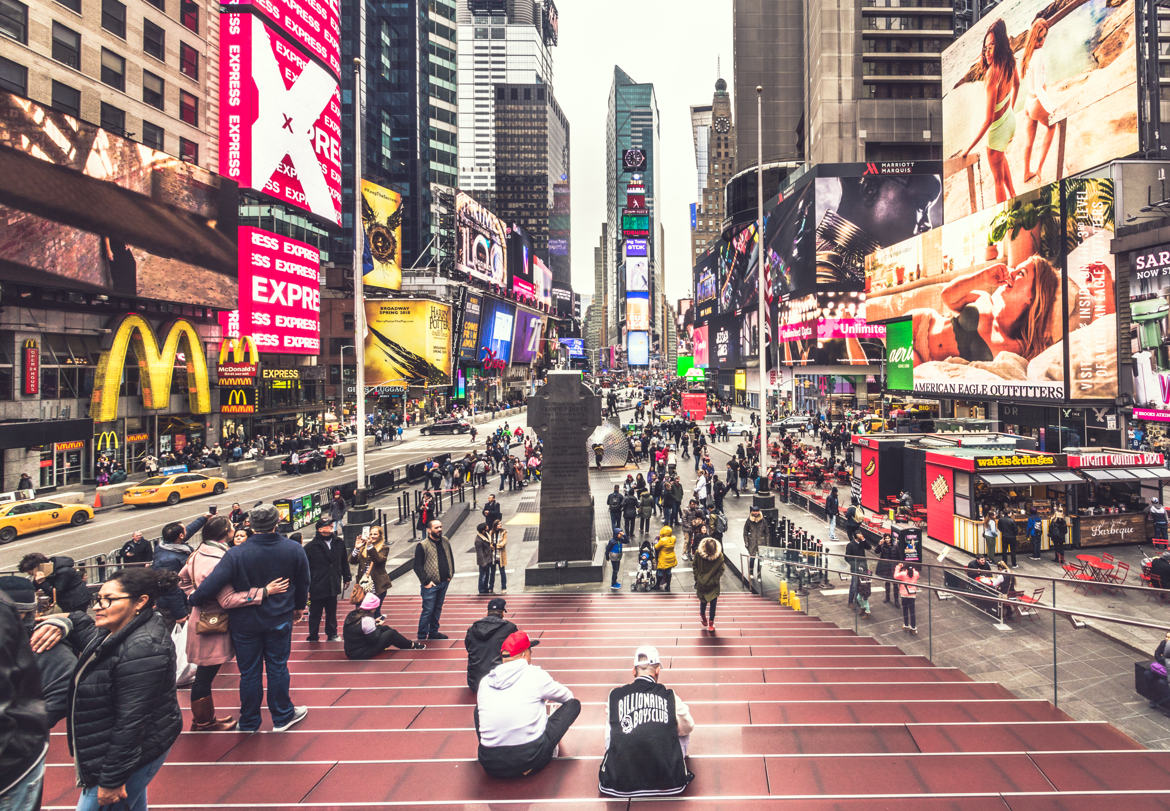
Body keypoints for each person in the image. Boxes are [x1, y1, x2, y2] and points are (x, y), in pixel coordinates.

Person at [188, 503, 311, 733]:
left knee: (249, 672)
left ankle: (249, 721)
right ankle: (282, 715)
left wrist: (193, 599)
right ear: (277, 522)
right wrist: (299, 607)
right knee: (277, 667)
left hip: (244, 622)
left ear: (250, 525)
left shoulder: (235, 553)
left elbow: (212, 584)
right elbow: (303, 582)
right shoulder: (294, 549)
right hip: (278, 618)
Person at [68, 569, 182, 811]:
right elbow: (86, 632)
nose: (98, 606)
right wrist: (63, 622)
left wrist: (111, 779)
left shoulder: (144, 647)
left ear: (140, 601)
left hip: (126, 757)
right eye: (98, 599)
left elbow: (132, 720)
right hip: (120, 752)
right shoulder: (117, 629)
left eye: (109, 599)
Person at [475, 631, 580, 779]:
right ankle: (535, 756)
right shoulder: (535, 674)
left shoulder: (485, 681)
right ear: (525, 654)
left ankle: (494, 747)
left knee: (478, 710)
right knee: (574, 705)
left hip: (490, 764)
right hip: (529, 760)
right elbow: (568, 697)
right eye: (531, 651)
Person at [598, 645, 695, 798]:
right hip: (669, 783)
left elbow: (610, 737)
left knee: (615, 724)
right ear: (657, 671)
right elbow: (688, 727)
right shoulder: (670, 696)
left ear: (633, 671)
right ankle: (672, 764)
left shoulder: (614, 695)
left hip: (618, 784)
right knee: (679, 724)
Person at [963, 18, 1019, 204]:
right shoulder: (1010, 61)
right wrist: (1010, 110)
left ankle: (1005, 214)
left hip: (997, 130)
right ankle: (1014, 195)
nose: (987, 52)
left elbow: (988, 121)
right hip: (1010, 121)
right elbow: (1017, 85)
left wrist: (968, 149)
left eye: (992, 46)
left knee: (997, 181)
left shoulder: (992, 74)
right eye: (985, 47)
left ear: (1000, 45)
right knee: (1001, 158)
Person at [304, 516, 351, 642]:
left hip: (333, 582)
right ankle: (313, 635)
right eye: (327, 525)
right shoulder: (310, 547)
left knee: (331, 611)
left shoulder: (338, 542)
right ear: (320, 529)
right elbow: (305, 569)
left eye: (331, 525)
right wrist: (306, 588)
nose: (331, 527)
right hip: (317, 585)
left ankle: (332, 633)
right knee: (315, 612)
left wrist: (347, 576)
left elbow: (344, 561)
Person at [1020, 17, 1054, 183]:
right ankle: (1039, 169)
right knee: (1052, 127)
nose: (1042, 41)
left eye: (1045, 37)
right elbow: (1039, 88)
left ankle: (1026, 173)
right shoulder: (1039, 54)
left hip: (1028, 103)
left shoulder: (1027, 54)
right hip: (1036, 102)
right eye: (1040, 38)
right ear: (1034, 37)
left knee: (1029, 142)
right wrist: (1051, 108)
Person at [343, 593, 424, 659]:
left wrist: (375, 624)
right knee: (391, 633)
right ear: (372, 608)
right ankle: (411, 645)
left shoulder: (353, 614)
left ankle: (409, 644)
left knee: (385, 628)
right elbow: (373, 640)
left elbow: (361, 629)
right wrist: (376, 625)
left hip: (351, 651)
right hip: (360, 653)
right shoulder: (367, 620)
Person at [464, 597, 518, 692]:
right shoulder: (510, 628)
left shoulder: (472, 629)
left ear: (487, 612)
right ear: (502, 613)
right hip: (499, 682)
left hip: (475, 683)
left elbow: (468, 648)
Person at [414, 518, 455, 642]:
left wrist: (451, 573)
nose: (440, 529)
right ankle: (422, 636)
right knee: (428, 610)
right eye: (436, 528)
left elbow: (450, 557)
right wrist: (426, 582)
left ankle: (433, 632)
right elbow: (417, 566)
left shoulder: (445, 541)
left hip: (444, 582)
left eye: (440, 527)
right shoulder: (422, 545)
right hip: (431, 585)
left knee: (437, 609)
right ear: (429, 530)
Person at [19, 553, 91, 613]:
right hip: (66, 601)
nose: (32, 575)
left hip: (77, 601)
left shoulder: (64, 571)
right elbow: (34, 586)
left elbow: (56, 592)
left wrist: (42, 582)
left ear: (37, 567)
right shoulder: (45, 571)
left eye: (31, 573)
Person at [693, 537, 724, 632]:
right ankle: (705, 618)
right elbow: (695, 565)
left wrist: (714, 580)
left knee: (710, 603)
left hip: (710, 584)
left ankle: (709, 621)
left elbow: (721, 569)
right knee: (705, 602)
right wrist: (698, 577)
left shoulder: (718, 556)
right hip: (705, 583)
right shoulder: (699, 554)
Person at [352, 525, 391, 601]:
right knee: (360, 607)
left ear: (380, 536)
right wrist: (356, 548)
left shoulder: (384, 548)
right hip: (363, 584)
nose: (372, 536)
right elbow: (352, 561)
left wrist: (370, 546)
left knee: (374, 607)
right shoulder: (363, 547)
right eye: (370, 534)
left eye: (375, 534)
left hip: (376, 585)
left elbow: (378, 560)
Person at [894, 562, 920, 634]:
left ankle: (906, 625)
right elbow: (916, 575)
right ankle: (913, 628)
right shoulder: (916, 573)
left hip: (904, 594)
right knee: (912, 611)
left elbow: (895, 576)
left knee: (905, 610)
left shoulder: (903, 574)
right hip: (912, 595)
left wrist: (898, 567)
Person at [743, 506, 767, 581]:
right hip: (752, 542)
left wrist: (767, 544)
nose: (755, 513)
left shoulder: (763, 520)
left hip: (761, 543)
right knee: (752, 558)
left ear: (759, 511)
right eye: (754, 511)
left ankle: (759, 574)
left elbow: (767, 533)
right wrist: (746, 542)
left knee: (760, 559)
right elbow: (745, 532)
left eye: (757, 511)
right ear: (752, 512)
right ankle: (751, 573)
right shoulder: (749, 520)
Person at [654, 527, 678, 592]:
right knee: (668, 571)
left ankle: (657, 585)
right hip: (671, 557)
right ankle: (668, 586)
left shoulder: (662, 540)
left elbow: (656, 547)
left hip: (663, 558)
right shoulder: (673, 538)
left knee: (660, 571)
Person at [475, 523, 495, 595]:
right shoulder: (478, 540)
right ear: (483, 530)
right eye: (486, 527)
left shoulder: (486, 535)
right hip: (483, 561)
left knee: (487, 575)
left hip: (488, 559)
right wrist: (483, 563)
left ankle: (486, 588)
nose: (488, 527)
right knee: (483, 576)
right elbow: (480, 553)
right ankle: (481, 590)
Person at [490, 519, 509, 594]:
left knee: (502, 572)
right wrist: (492, 546)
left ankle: (504, 588)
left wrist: (496, 546)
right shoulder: (491, 532)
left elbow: (504, 543)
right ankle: (491, 588)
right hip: (493, 556)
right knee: (492, 573)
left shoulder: (504, 532)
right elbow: (490, 543)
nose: (500, 525)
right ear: (495, 525)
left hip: (501, 556)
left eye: (500, 524)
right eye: (498, 524)